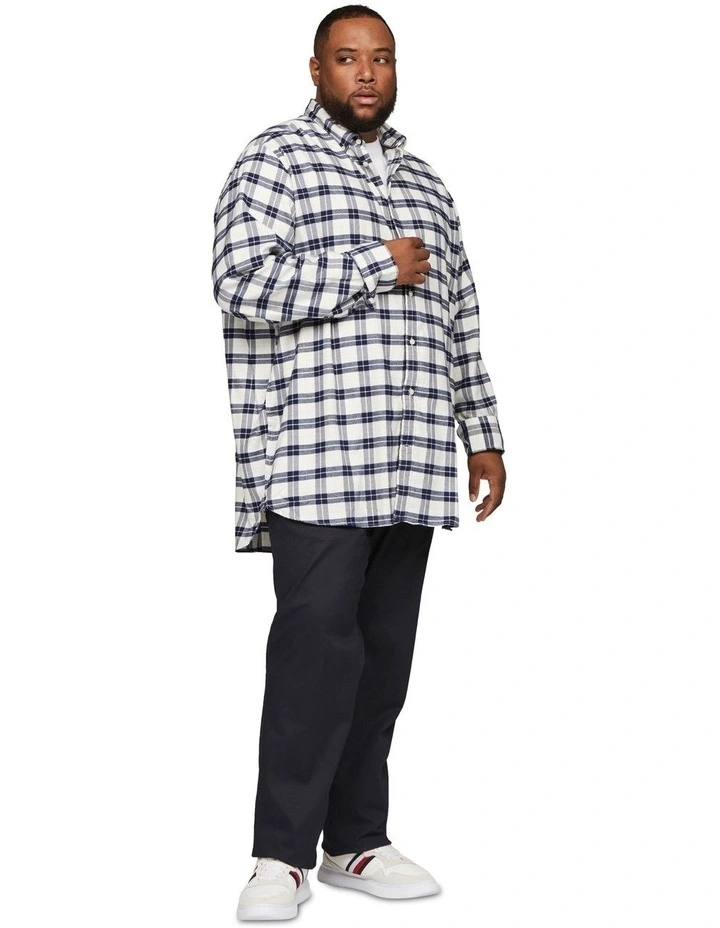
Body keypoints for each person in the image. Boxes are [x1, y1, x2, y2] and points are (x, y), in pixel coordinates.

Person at [211, 4, 506, 921]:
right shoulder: (276, 160)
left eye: (381, 58)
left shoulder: (426, 182)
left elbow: (460, 315)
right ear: (316, 69)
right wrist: (374, 265)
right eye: (347, 58)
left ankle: (354, 841)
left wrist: (483, 431)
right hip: (317, 460)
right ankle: (279, 856)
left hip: (411, 463)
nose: (367, 73)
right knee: (313, 661)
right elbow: (240, 283)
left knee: (381, 667)